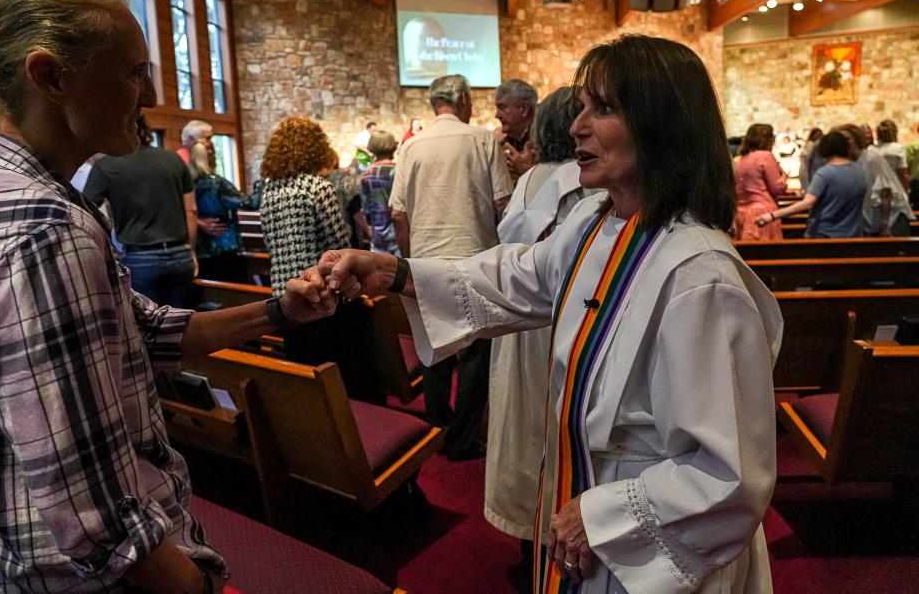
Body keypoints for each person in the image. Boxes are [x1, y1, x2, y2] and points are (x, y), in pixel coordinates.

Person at [314, 35, 781, 593]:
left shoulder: (700, 276)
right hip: (579, 493)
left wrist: (604, 515)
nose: (575, 127)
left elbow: (730, 474)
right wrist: (395, 272)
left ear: (661, 124)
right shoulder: (597, 223)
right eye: (581, 107)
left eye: (602, 109)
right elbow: (516, 277)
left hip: (655, 547)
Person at [0, 0, 328, 593]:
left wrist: (278, 311)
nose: (150, 94)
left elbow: (147, 332)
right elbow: (96, 524)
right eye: (132, 70)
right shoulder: (45, 233)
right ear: (51, 76)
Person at [486, 86, 595, 592]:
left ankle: (529, 531)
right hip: (560, 324)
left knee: (526, 427)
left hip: (520, 326)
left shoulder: (530, 179)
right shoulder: (590, 187)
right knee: (553, 427)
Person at [390, 73, 513, 460]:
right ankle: (464, 436)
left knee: (435, 347)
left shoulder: (411, 147)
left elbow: (397, 213)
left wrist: (409, 258)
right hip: (474, 255)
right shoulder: (482, 139)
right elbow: (503, 203)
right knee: (477, 348)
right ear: (461, 100)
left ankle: (438, 428)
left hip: (424, 260)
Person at [84, 115, 198, 306]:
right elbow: (191, 211)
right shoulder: (174, 160)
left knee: (150, 328)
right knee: (187, 322)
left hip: (140, 257)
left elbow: (85, 211)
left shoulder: (106, 166)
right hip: (180, 254)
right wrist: (191, 251)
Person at [260, 117, 350, 296]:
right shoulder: (318, 187)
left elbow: (270, 244)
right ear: (316, 149)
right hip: (318, 290)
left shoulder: (269, 190)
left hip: (282, 290)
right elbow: (340, 246)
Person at [756, 131, 866, 237]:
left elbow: (808, 203)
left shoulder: (824, 173)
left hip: (824, 235)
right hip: (853, 234)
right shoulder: (859, 172)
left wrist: (772, 215)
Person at [189, 136, 255, 281]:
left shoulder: (187, 185)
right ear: (209, 158)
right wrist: (262, 185)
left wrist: (199, 222)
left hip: (201, 251)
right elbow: (249, 202)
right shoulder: (218, 184)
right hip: (225, 247)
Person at [840, 123, 914, 237]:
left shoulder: (872, 158)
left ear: (856, 139)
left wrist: (885, 224)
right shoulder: (850, 162)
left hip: (891, 220)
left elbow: (886, 192)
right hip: (873, 221)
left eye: (847, 139)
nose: (844, 143)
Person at [179, 119, 231, 247]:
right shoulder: (181, 163)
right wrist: (199, 223)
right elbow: (175, 203)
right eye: (207, 138)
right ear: (191, 139)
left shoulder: (195, 162)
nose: (211, 143)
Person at [733, 123, 787, 240]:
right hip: (762, 213)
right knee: (768, 253)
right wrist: (784, 177)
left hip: (741, 213)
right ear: (768, 140)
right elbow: (777, 188)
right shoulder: (765, 156)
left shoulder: (741, 160)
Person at [360, 129, 401, 255]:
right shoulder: (398, 171)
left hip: (378, 236)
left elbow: (366, 210)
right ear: (393, 147)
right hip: (399, 235)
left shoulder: (366, 175)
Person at [323, 147, 369, 249]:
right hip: (347, 235)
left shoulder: (314, 182)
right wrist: (368, 231)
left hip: (325, 237)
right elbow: (356, 210)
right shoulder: (343, 179)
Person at [496, 78, 539, 179]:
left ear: (524, 108)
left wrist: (528, 170)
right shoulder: (504, 143)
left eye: (502, 107)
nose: (497, 115)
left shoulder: (547, 139)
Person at [875, 119, 910, 192]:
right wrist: (907, 189)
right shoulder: (898, 149)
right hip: (894, 189)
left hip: (875, 189)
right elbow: (902, 174)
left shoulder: (871, 149)